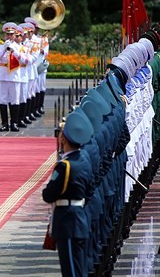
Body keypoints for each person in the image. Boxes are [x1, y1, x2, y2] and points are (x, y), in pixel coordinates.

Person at [42, 108, 93, 276]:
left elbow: (48, 195)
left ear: (63, 138)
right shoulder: (84, 160)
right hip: (80, 219)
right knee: (79, 269)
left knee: (71, 270)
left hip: (68, 223)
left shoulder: (65, 166)